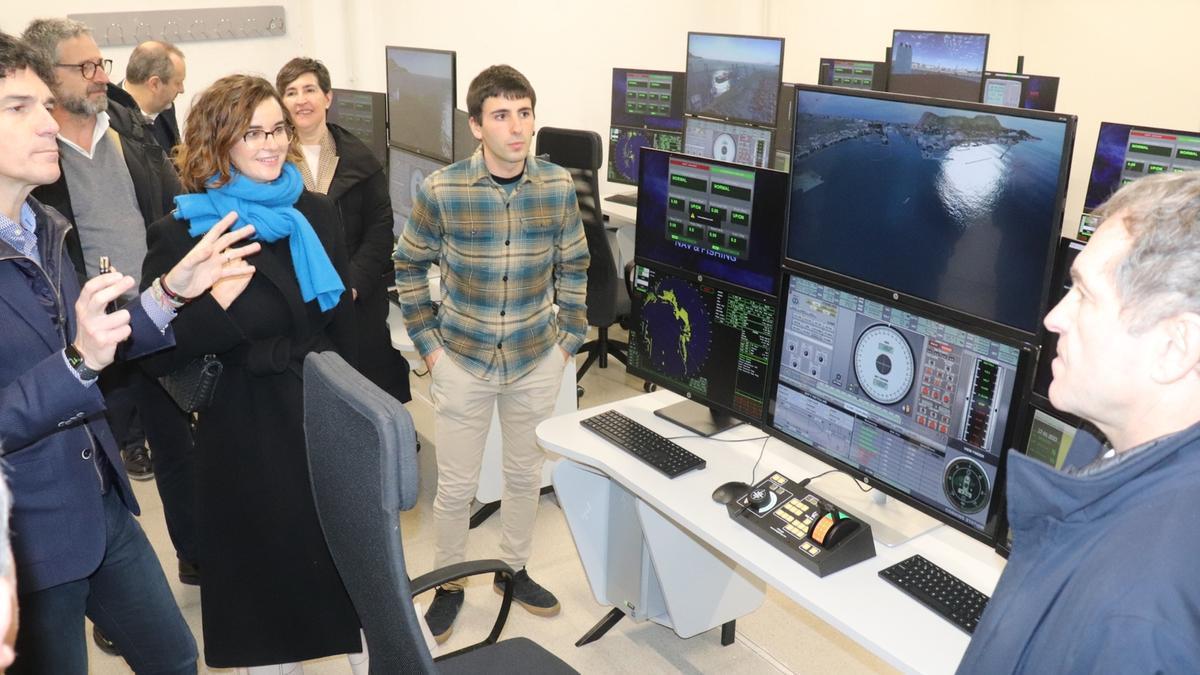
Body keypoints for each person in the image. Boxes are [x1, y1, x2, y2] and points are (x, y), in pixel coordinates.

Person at [0, 30, 262, 673]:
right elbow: (76, 363)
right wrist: (79, 361)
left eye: (43, 103)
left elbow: (102, 340)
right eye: (18, 108)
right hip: (24, 539)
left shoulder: (41, 227)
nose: (46, 120)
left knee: (175, 659)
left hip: (101, 502)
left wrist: (172, 291)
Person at [140, 73, 366, 673]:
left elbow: (341, 324)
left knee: (343, 581)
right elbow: (158, 355)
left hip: (320, 414)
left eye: (277, 130)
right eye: (252, 132)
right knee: (267, 601)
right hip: (243, 435)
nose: (270, 144)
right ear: (217, 143)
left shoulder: (313, 213)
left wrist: (373, 408)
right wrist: (216, 305)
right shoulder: (182, 232)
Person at [958, 171, 1200, 672]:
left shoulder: (1144, 623)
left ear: (1174, 347)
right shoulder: (1103, 451)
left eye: (1085, 296)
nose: (1054, 318)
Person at [394, 64, 589, 643]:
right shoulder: (444, 189)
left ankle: (514, 569)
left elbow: (575, 265)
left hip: (535, 357)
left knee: (525, 475)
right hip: (463, 360)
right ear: (477, 126)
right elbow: (408, 266)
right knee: (455, 488)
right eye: (502, 116)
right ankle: (450, 584)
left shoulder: (555, 187)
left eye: (524, 113)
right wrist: (430, 349)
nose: (517, 128)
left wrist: (568, 342)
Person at [275, 56, 410, 403]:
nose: (302, 100)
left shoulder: (360, 158)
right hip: (296, 298)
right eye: (291, 92)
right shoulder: (270, 162)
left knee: (366, 391)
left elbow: (381, 227)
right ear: (282, 102)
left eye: (310, 90)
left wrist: (352, 283)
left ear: (327, 98)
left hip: (355, 298)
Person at [106, 40, 185, 154]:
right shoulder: (109, 121)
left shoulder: (165, 106)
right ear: (154, 84)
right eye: (178, 83)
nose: (182, 90)